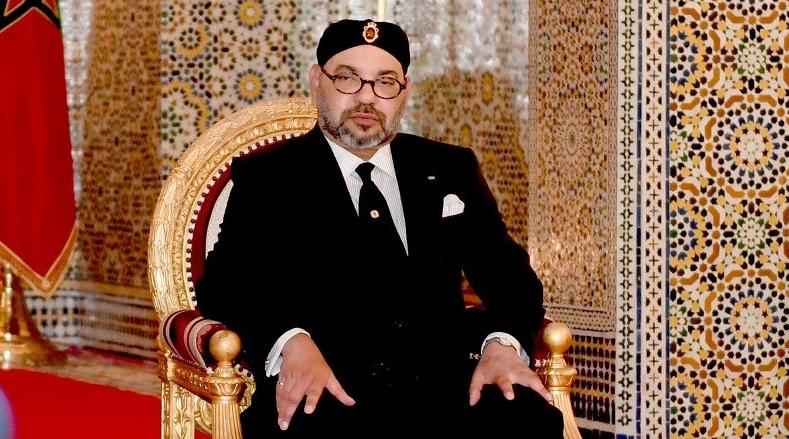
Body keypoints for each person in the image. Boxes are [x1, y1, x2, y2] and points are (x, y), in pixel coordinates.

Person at [196, 19, 564, 437]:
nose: (367, 98)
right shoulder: (270, 176)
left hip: (444, 387)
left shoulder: (449, 168)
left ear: (404, 92)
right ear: (317, 81)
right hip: (328, 387)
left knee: (529, 417)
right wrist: (291, 341)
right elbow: (224, 286)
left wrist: (501, 343)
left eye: (385, 82)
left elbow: (512, 280)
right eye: (348, 78)